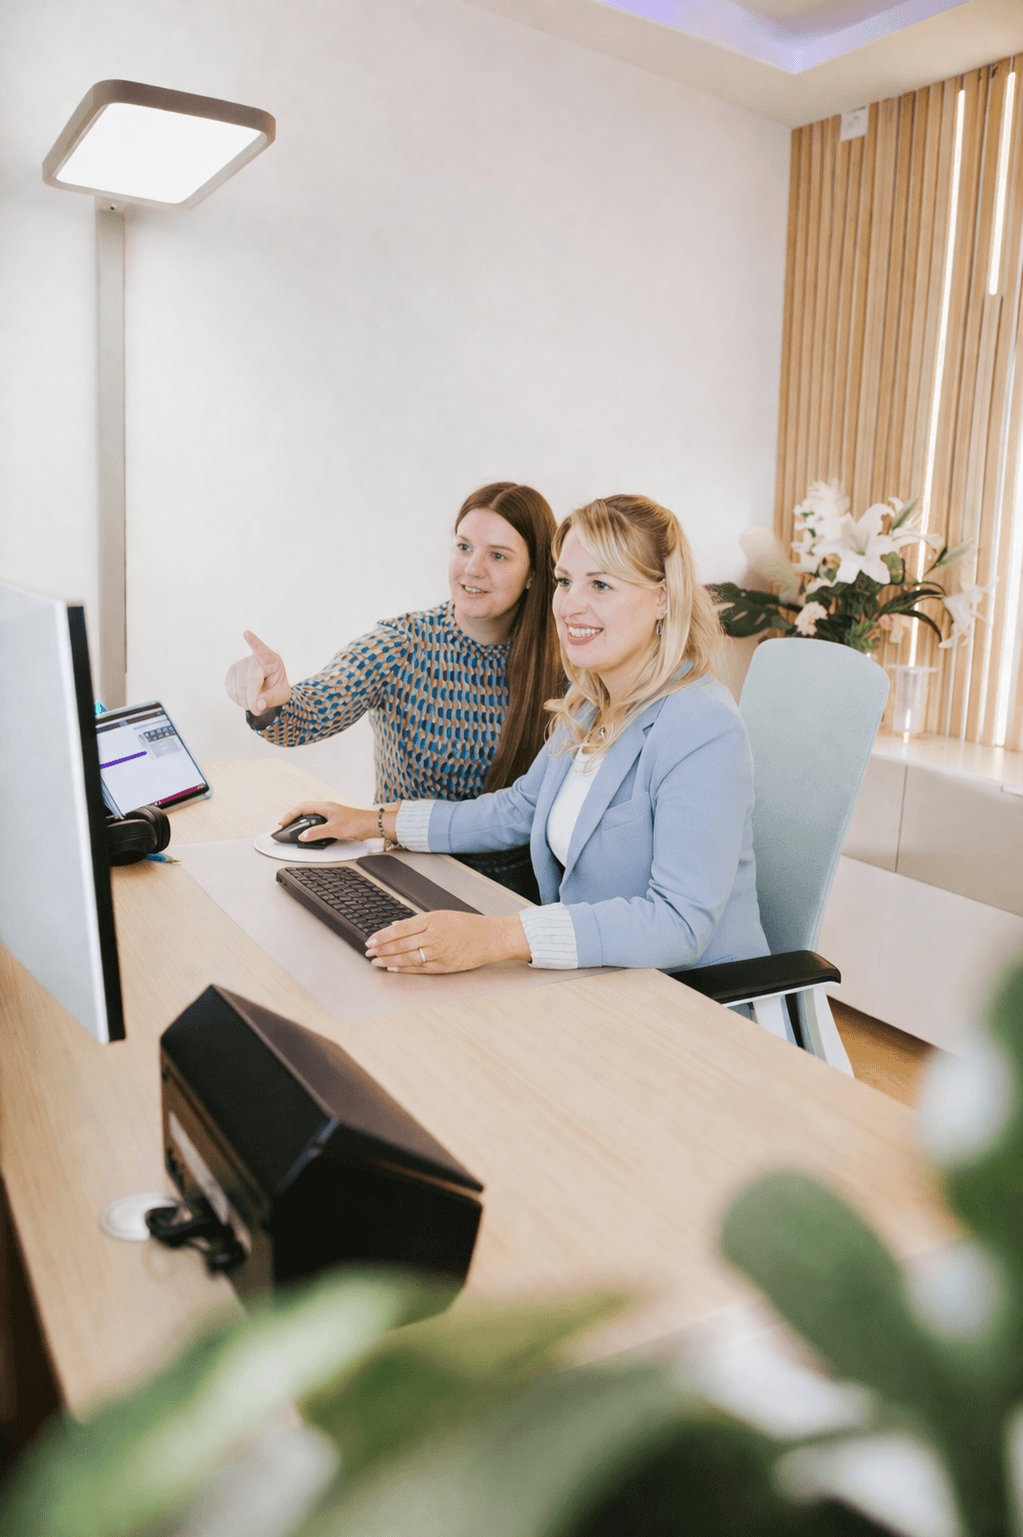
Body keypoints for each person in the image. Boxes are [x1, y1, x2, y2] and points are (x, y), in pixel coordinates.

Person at [279, 494, 770, 976]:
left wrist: (500, 937)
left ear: (662, 597)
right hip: (603, 980)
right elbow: (519, 809)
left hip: (694, 1006)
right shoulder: (591, 701)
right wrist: (374, 822)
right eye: (565, 581)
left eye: (600, 585)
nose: (571, 605)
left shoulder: (702, 726)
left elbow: (679, 923)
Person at [225, 482, 562, 900]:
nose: (472, 568)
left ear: (534, 573)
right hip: (410, 877)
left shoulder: (564, 664)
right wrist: (275, 702)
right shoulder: (403, 643)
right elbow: (315, 707)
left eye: (497, 555)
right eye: (463, 547)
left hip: (520, 897)